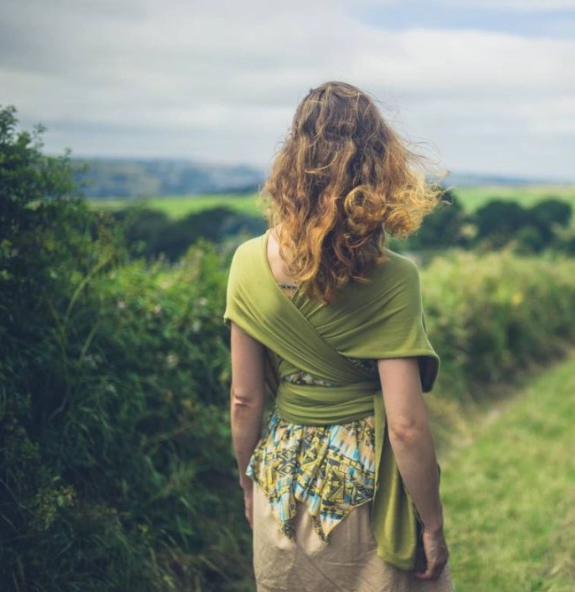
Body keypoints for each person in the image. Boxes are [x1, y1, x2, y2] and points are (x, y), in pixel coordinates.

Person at [224, 81, 453, 591]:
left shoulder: (245, 263)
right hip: (367, 490)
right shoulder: (393, 278)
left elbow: (244, 400)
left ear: (292, 159)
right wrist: (432, 524)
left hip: (279, 485)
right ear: (380, 166)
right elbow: (407, 426)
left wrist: (247, 484)